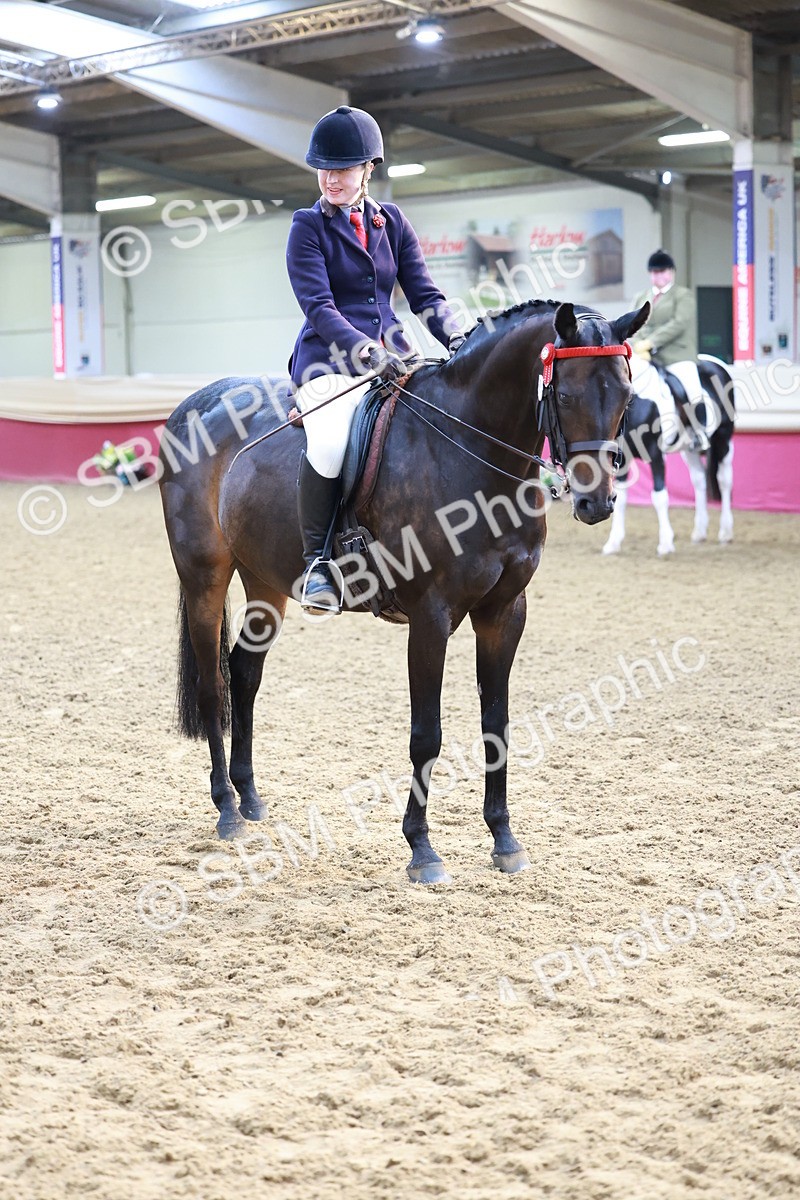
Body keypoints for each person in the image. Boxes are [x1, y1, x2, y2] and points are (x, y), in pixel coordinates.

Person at [286, 105, 461, 614]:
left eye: (342, 169)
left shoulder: (392, 221)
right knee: (331, 441)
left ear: (368, 169)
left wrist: (457, 337)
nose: (330, 178)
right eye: (324, 168)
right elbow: (318, 308)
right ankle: (318, 563)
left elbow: (425, 294)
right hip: (330, 362)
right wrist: (366, 351)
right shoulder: (307, 226)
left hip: (396, 357)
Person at [630, 249, 705, 448]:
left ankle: (700, 431)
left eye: (663, 271)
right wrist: (637, 344)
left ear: (671, 272)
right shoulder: (641, 297)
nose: (659, 276)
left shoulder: (683, 295)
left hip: (676, 354)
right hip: (644, 355)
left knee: (692, 387)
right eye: (655, 272)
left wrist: (650, 342)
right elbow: (633, 324)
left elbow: (678, 324)